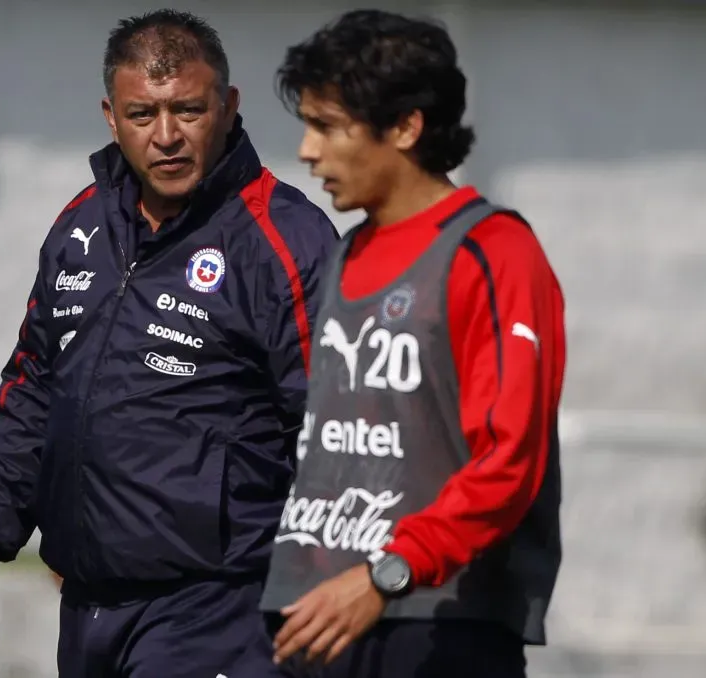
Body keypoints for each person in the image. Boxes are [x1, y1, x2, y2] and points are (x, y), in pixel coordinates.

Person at [0, 9, 340, 678]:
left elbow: (339, 430)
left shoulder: (286, 242)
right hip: (88, 607)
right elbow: (31, 395)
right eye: (143, 115)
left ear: (228, 108)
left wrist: (335, 591)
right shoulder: (81, 225)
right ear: (112, 118)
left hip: (221, 612)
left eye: (189, 110)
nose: (166, 136)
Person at [258, 10, 566, 678]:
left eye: (328, 126)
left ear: (405, 126)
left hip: (434, 622)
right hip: (315, 619)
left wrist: (385, 574)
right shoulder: (343, 258)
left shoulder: (493, 252)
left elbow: (508, 461)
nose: (308, 151)